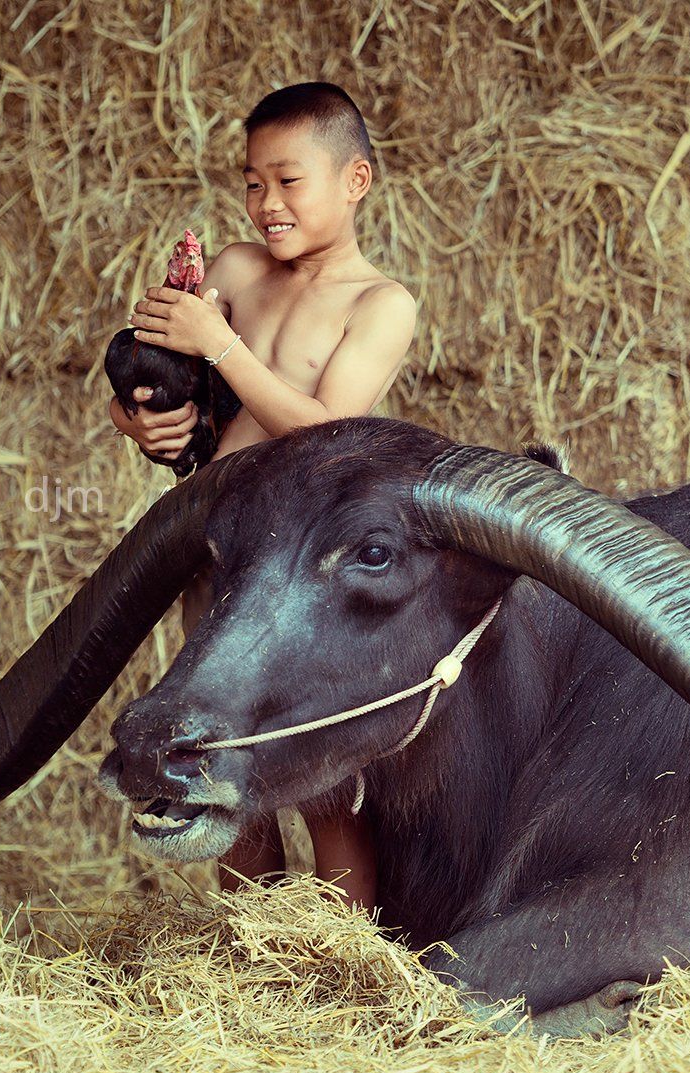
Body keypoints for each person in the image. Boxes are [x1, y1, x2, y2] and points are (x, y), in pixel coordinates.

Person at [110, 82, 419, 913]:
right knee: (217, 760)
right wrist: (147, 420)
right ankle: (251, 964)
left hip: (306, 576)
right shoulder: (239, 271)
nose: (266, 203)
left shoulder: (381, 305)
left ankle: (344, 958)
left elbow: (324, 429)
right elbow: (166, 380)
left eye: (290, 181)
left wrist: (221, 344)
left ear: (355, 181)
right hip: (215, 552)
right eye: (252, 182)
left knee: (322, 782)